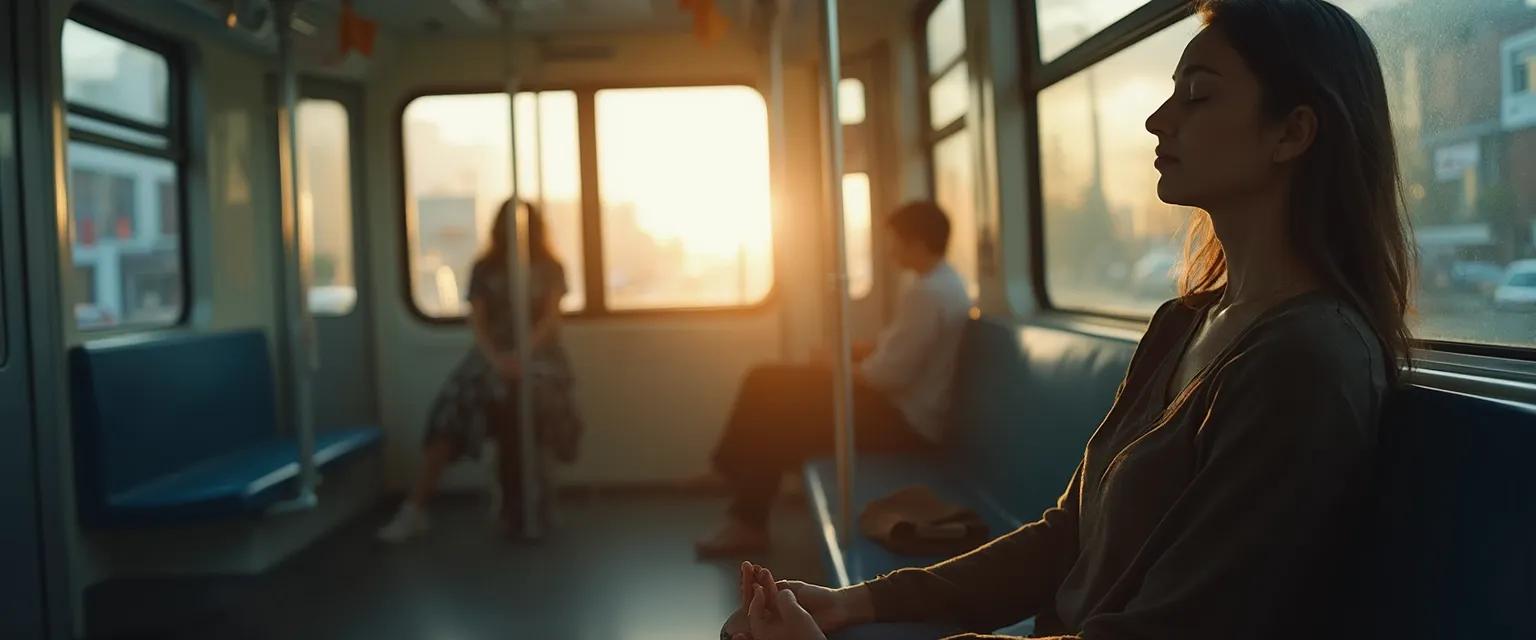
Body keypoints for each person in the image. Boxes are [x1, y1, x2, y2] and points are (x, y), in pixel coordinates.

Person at [729, 0, 1415, 638]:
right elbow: (1069, 536)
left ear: (1292, 132)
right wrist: (860, 602)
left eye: (1197, 95)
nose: (1158, 119)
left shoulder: (1307, 365)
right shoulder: (1184, 324)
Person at [695, 201, 974, 557]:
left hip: (905, 421)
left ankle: (744, 513)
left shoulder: (927, 293)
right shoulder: (945, 284)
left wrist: (833, 365)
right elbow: (903, 351)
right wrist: (853, 352)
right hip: (901, 407)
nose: (889, 250)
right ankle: (734, 478)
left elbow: (885, 376)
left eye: (894, 241)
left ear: (916, 243)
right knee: (765, 379)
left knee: (778, 416)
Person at [378, 200, 583, 542]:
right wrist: (498, 359)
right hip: (492, 356)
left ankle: (534, 500)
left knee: (538, 400)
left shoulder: (550, 267)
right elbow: (479, 322)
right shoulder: (484, 268)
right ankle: (415, 507)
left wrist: (522, 353)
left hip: (538, 353)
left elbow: (550, 320)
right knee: (452, 406)